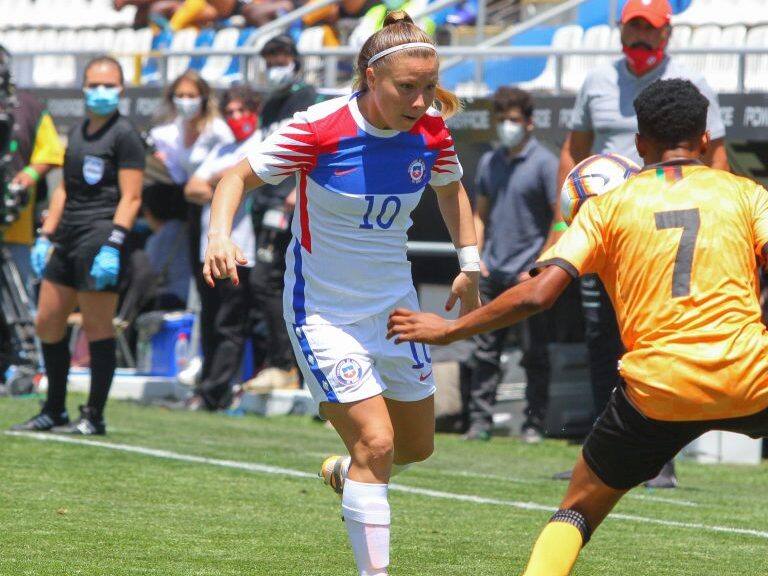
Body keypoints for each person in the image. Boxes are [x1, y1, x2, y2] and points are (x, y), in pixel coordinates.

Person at [388, 78, 768, 576]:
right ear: (704, 140)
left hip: (658, 389)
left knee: (576, 511)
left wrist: (448, 330)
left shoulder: (607, 206)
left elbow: (538, 293)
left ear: (638, 144)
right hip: (751, 376)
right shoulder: (747, 195)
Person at [204, 11, 480, 575]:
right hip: (324, 312)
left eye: (429, 88)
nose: (423, 101)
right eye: (408, 88)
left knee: (417, 446)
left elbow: (452, 190)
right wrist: (218, 233)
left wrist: (468, 263)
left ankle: (344, 474)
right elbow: (234, 177)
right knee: (376, 443)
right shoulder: (318, 127)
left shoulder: (431, 130)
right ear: (369, 79)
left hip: (397, 310)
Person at [556, 0, 729, 487]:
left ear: (667, 34)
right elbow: (574, 148)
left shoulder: (692, 85)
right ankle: (598, 456)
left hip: (662, 232)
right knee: (600, 338)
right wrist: (560, 225)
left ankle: (659, 460)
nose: (640, 40)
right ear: (619, 32)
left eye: (648, 31)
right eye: (632, 30)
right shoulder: (596, 81)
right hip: (605, 231)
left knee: (652, 339)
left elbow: (717, 159)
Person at [10, 56, 145, 435]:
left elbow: (131, 197)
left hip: (100, 235)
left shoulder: (125, 135)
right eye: (94, 84)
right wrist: (46, 235)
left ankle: (94, 415)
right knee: (48, 323)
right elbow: (65, 188)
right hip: (68, 235)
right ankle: (54, 409)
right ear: (84, 87)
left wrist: (113, 244)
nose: (101, 91)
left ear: (121, 89)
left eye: (109, 85)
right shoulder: (80, 130)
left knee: (97, 327)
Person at [464, 87, 558, 443]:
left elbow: (558, 218)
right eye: (501, 120)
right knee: (485, 352)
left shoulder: (546, 163)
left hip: (528, 277)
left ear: (530, 123)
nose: (507, 127)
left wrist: (540, 264)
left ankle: (534, 424)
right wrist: (476, 257)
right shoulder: (491, 161)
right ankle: (479, 423)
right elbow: (480, 214)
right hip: (492, 272)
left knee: (534, 355)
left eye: (514, 120)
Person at [241, 34, 321, 393]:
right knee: (266, 284)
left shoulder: (309, 98)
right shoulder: (270, 103)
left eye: (281, 58)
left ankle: (288, 364)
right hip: (264, 204)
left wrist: (293, 191)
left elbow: (313, 149)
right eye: (269, 60)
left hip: (291, 204)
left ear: (295, 59)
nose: (276, 66)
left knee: (271, 281)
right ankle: (281, 363)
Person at [184, 86, 261, 410]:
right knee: (210, 320)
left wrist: (221, 182)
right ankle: (208, 386)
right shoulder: (223, 148)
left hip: (238, 248)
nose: (235, 117)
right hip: (208, 249)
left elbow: (237, 180)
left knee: (229, 323)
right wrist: (225, 183)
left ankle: (217, 391)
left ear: (255, 111)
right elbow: (191, 188)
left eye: (241, 110)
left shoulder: (259, 144)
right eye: (229, 112)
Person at [0, 45, 64, 287]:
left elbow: (52, 152)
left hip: (15, 222)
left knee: (20, 296)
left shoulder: (28, 105)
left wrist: (27, 175)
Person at [149, 70, 233, 187]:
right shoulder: (177, 126)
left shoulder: (218, 129)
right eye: (180, 95)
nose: (185, 101)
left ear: (203, 98)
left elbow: (232, 167)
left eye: (191, 96)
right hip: (186, 199)